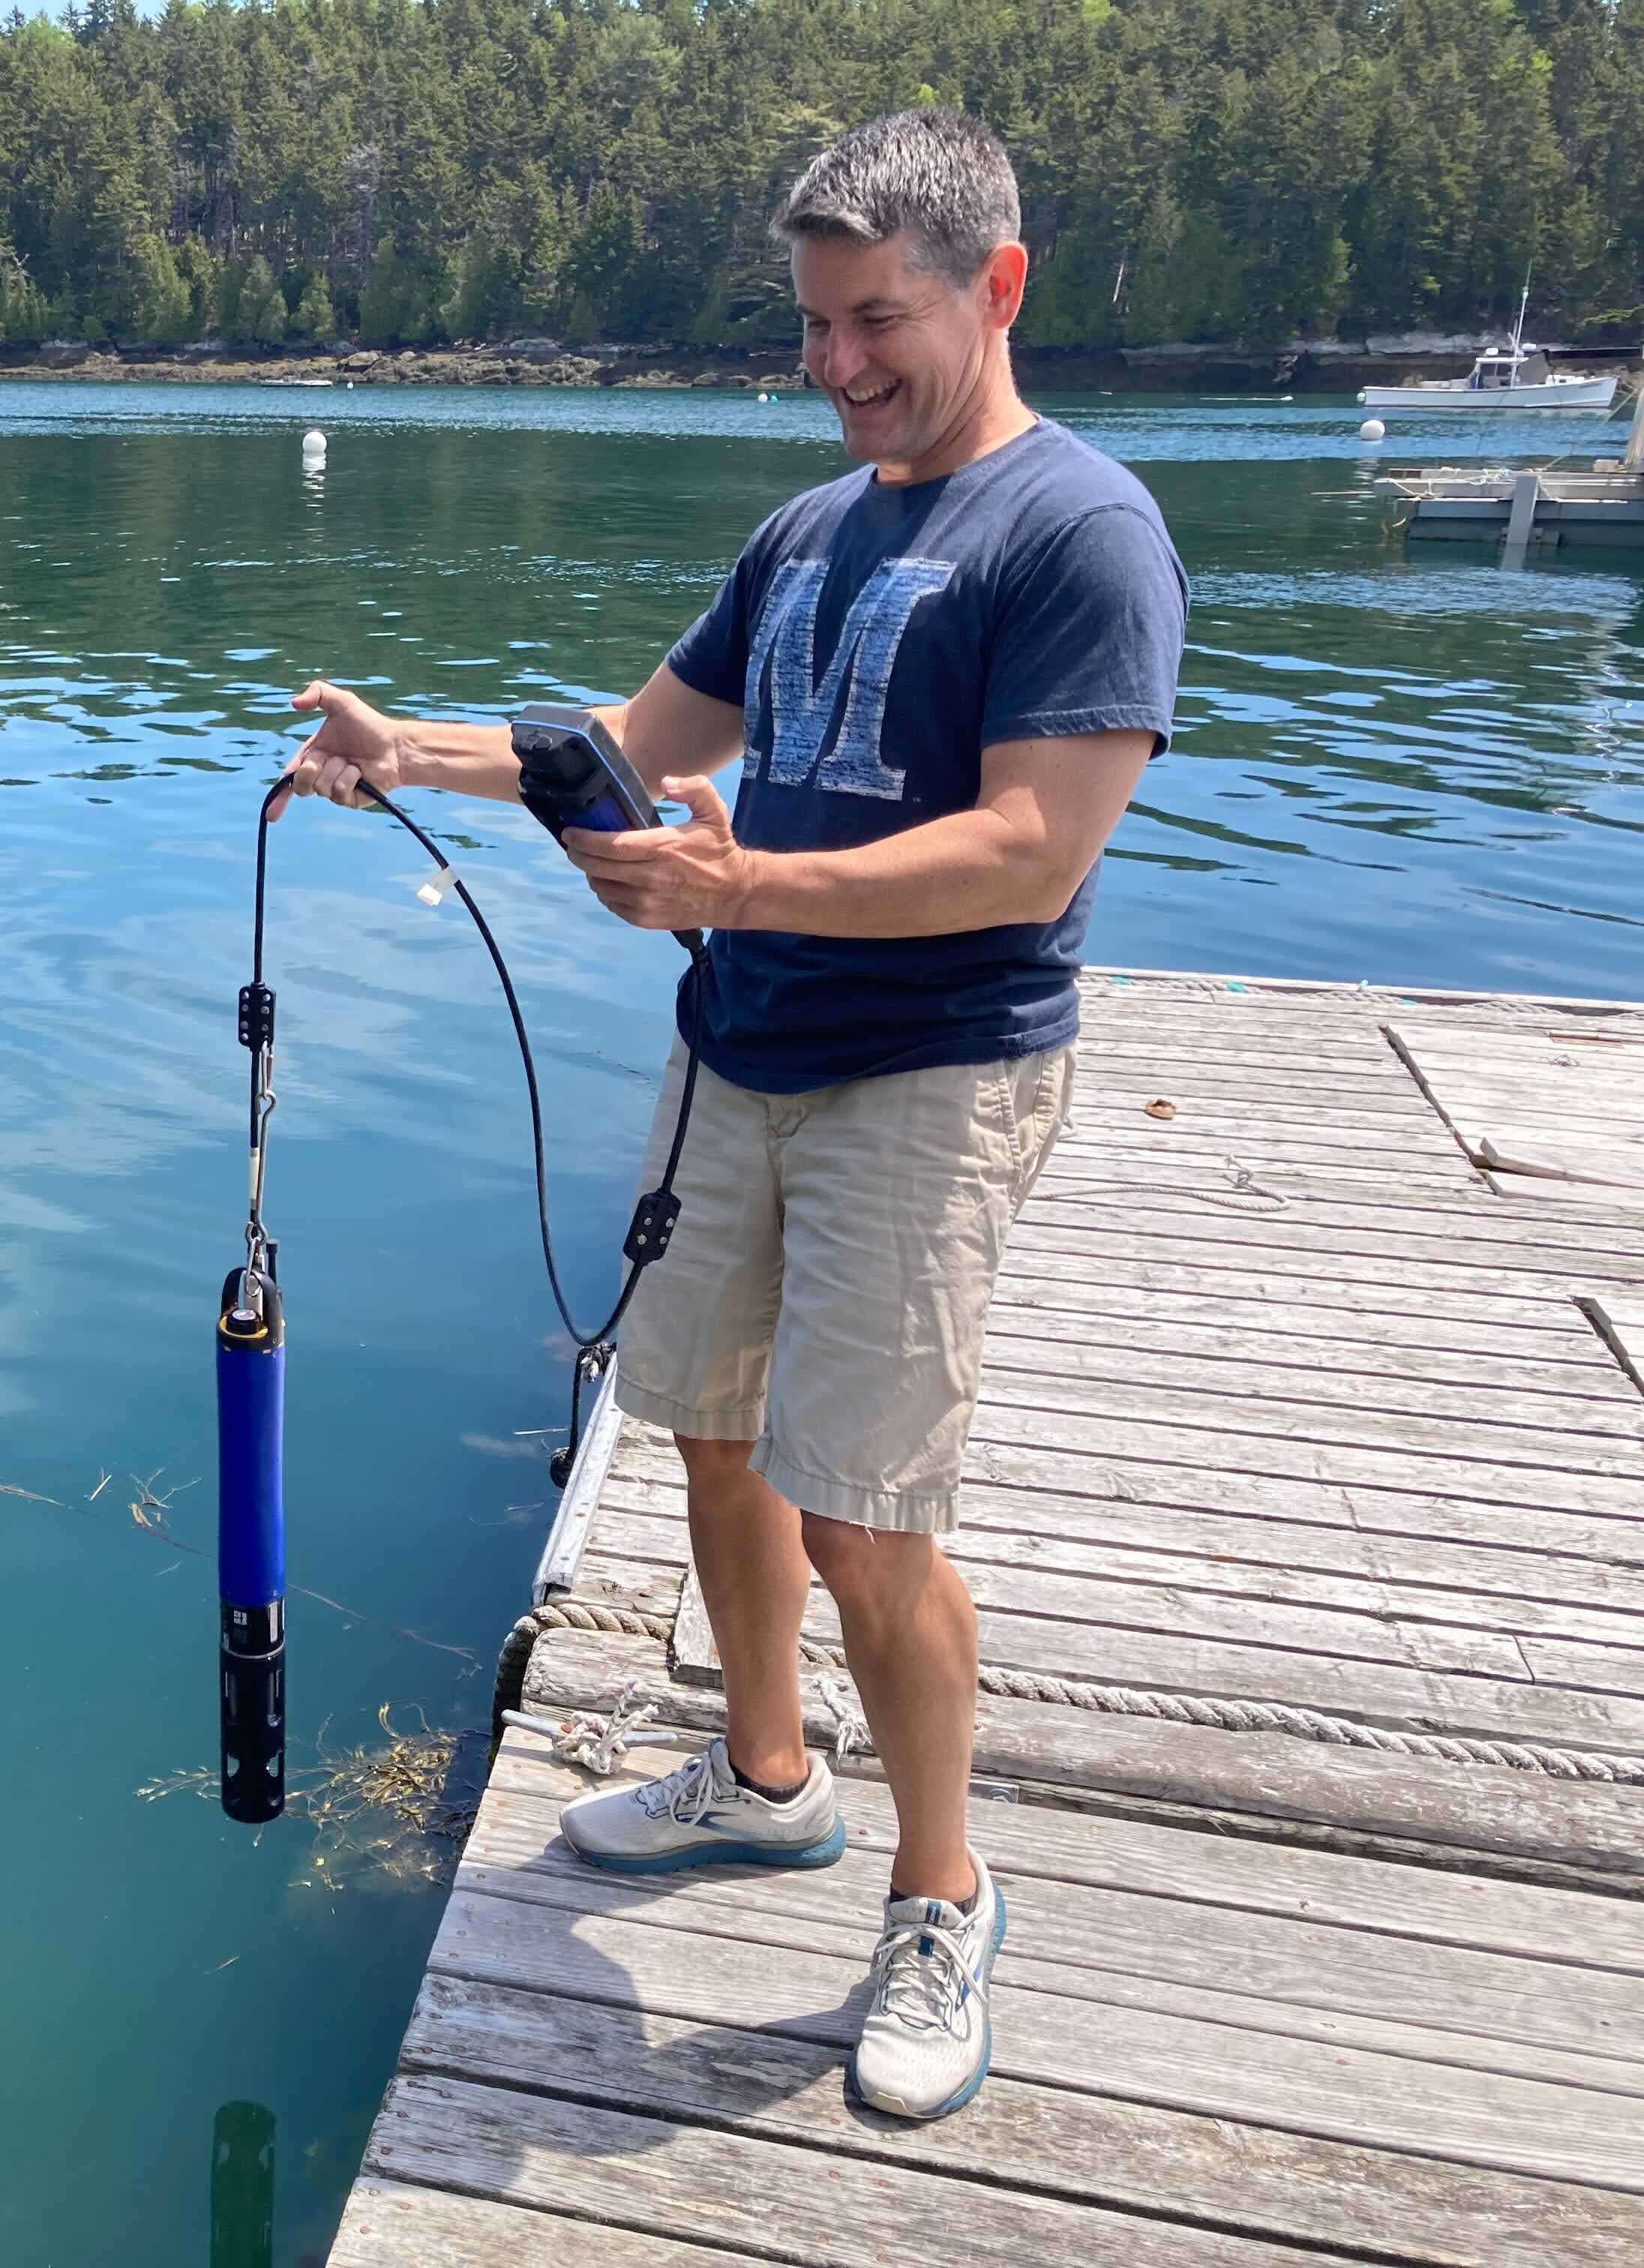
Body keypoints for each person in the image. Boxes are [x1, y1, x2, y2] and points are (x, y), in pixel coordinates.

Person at [270, 108, 1186, 2122]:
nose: (837, 360)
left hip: (930, 1080)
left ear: (997, 286)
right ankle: (767, 1783)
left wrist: (740, 880)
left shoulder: (1082, 534)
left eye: (876, 319)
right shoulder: (806, 534)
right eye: (813, 323)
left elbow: (1031, 853)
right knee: (708, 1440)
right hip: (741, 1049)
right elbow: (631, 748)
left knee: (865, 1506)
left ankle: (944, 1893)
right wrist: (396, 750)